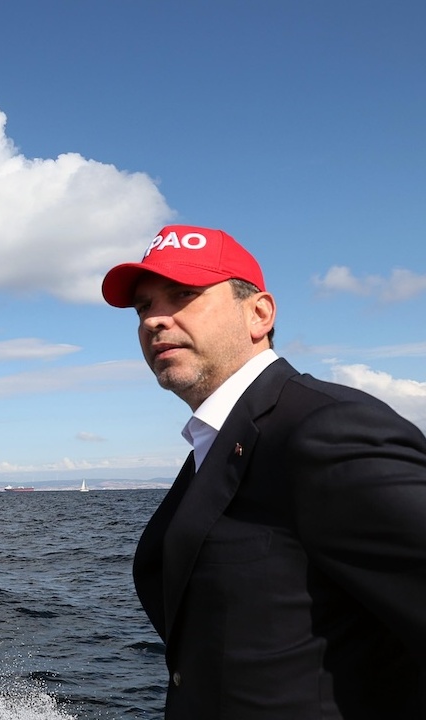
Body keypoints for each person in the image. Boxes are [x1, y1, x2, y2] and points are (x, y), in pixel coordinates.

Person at [101, 224, 426, 718]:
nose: (154, 321)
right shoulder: (216, 441)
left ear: (259, 314)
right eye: (144, 307)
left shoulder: (326, 428)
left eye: (183, 295)